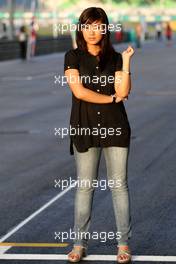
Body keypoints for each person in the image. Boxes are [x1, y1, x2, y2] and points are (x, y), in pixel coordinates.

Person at [64, 7, 134, 263]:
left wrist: (126, 63)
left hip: (116, 127)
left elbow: (124, 91)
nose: (92, 32)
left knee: (119, 185)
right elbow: (79, 92)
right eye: (87, 26)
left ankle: (123, 246)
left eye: (98, 26)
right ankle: (79, 245)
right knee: (85, 187)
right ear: (81, 28)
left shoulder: (115, 58)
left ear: (105, 29)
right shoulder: (72, 56)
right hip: (84, 127)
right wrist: (111, 98)